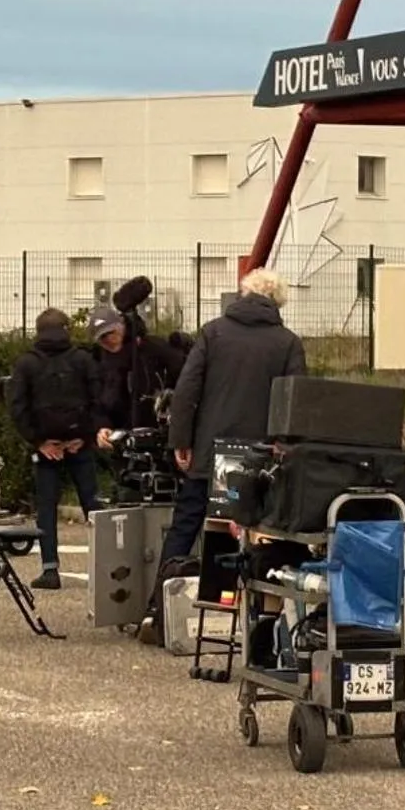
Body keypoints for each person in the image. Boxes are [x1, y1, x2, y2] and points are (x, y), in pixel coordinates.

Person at [150, 268, 307, 638]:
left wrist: (181, 441)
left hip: (210, 451)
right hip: (260, 457)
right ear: (277, 302)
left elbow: (187, 391)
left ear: (244, 294)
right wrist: (286, 448)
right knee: (253, 531)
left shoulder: (213, 332)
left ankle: (159, 612)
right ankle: (252, 620)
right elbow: (296, 402)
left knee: (186, 525)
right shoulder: (287, 343)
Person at [7, 308, 104, 591]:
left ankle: (50, 569)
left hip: (46, 446)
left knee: (46, 507)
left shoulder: (26, 363)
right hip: (78, 443)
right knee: (93, 506)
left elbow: (17, 407)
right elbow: (98, 399)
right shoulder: (82, 359)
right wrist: (85, 436)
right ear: (66, 329)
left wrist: (38, 441)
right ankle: (106, 567)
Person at [89, 294, 191, 446]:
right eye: (102, 337)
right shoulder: (99, 359)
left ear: (121, 326)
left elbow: (184, 375)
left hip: (157, 430)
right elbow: (97, 399)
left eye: (111, 333)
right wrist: (102, 426)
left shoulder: (151, 348)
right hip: (121, 434)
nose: (108, 340)